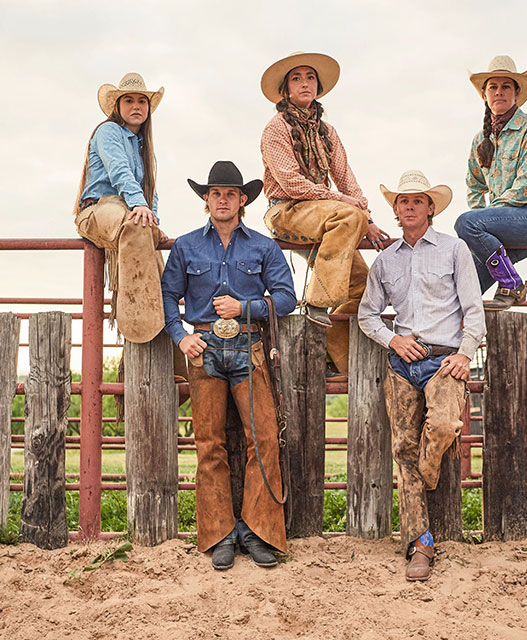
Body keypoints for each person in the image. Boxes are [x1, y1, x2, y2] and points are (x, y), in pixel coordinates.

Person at [161, 161, 297, 570]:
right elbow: (168, 295)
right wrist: (180, 335)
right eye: (215, 193)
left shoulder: (263, 245)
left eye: (230, 193)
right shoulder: (185, 247)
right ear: (206, 200)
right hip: (203, 350)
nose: (223, 199)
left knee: (265, 440)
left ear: (243, 200)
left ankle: (257, 532)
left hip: (250, 346)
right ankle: (219, 533)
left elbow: (287, 297)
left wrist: (246, 307)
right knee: (209, 444)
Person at [358, 170, 486, 581]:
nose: (410, 207)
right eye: (403, 201)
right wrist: (393, 342)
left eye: (417, 201)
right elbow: (367, 315)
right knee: (402, 448)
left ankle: (425, 474)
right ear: (395, 210)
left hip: (446, 361)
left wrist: (466, 355)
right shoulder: (385, 259)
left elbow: (473, 311)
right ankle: (421, 544)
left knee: (446, 425)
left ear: (431, 208)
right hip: (402, 364)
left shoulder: (454, 249)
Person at [260, 51, 390, 374]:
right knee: (347, 215)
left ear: (317, 87)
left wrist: (367, 221)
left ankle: (334, 348)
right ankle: (317, 302)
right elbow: (290, 182)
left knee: (367, 286)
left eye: (310, 78)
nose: (304, 83)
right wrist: (345, 206)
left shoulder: (327, 132)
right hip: (287, 211)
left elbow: (348, 179)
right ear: (285, 89)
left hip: (328, 217)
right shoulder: (275, 128)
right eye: (296, 78)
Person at [454, 55, 527, 310]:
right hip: (502, 222)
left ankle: (511, 283)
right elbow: (474, 185)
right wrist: (483, 222)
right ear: (485, 94)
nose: (499, 92)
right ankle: (447, 343)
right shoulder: (479, 140)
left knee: (465, 224)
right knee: (461, 288)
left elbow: (526, 188)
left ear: (516, 93)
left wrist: (484, 221)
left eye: (506, 86)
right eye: (493, 87)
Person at [73, 72, 168, 342]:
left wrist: (154, 217)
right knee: (138, 227)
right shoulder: (108, 132)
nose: (136, 106)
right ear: (118, 106)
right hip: (97, 210)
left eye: (142, 101)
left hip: (125, 212)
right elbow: (120, 172)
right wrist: (140, 205)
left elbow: (151, 189)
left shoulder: (142, 146)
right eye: (129, 100)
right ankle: (142, 331)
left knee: (148, 236)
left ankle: (166, 352)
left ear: (148, 108)